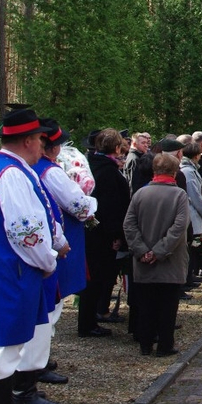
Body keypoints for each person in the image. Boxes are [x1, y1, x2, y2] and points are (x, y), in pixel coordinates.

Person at [0, 109, 63, 404]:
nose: (42, 145)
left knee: (9, 342)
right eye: (39, 139)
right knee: (4, 344)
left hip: (8, 268)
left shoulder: (9, 168)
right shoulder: (11, 174)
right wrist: (48, 261)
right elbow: (26, 231)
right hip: (12, 271)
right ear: (27, 141)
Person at [31, 119, 97, 389]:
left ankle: (38, 359)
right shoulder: (52, 173)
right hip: (58, 241)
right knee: (52, 303)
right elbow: (80, 205)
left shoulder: (33, 169)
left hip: (47, 239)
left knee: (47, 302)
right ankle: (37, 362)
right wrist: (92, 202)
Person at [124, 153, 190, 357]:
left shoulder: (140, 194)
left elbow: (129, 225)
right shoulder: (179, 195)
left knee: (146, 304)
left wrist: (142, 250)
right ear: (175, 172)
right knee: (168, 305)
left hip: (143, 262)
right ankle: (164, 345)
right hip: (170, 260)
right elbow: (179, 228)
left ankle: (145, 344)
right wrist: (159, 251)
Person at [79, 128, 130, 338]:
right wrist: (116, 235)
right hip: (101, 234)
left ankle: (91, 318)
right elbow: (111, 207)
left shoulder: (95, 165)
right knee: (97, 279)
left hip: (94, 230)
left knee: (96, 278)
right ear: (117, 148)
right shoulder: (108, 171)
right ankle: (88, 322)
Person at [180, 142, 202, 286]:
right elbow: (194, 195)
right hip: (192, 212)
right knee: (191, 247)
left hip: (195, 211)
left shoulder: (192, 170)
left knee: (194, 246)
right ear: (196, 155)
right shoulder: (188, 171)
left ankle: (191, 275)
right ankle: (188, 277)